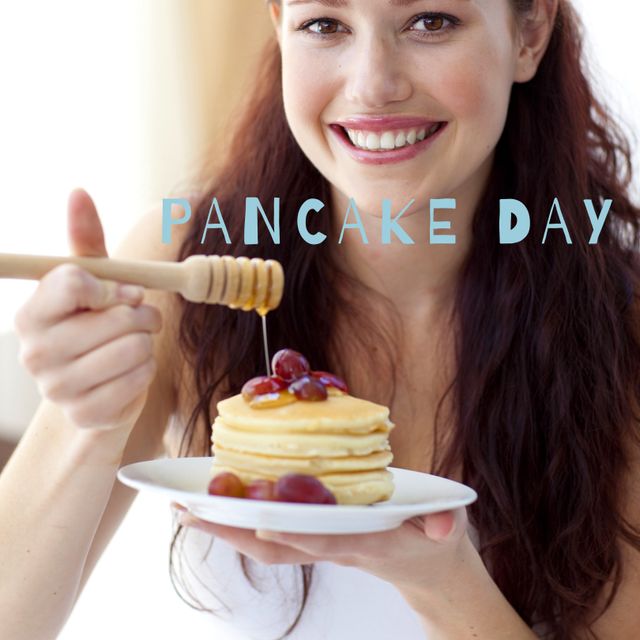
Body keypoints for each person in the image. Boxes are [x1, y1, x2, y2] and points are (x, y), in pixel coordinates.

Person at [1, 0, 639, 638]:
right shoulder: (179, 267)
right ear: (280, 25)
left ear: (529, 33)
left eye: (432, 21)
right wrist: (87, 424)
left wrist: (441, 582)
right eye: (325, 25)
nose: (373, 85)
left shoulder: (623, 323)